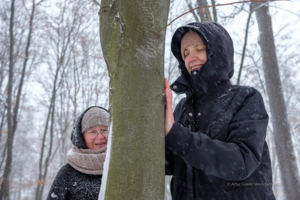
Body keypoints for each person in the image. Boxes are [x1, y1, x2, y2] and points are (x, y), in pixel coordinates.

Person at [164, 22, 275, 200]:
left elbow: (241, 161)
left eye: (199, 49)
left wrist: (176, 134)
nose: (190, 58)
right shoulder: (182, 108)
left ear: (219, 53)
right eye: (185, 53)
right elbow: (171, 164)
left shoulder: (245, 98)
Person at [47, 106, 109, 200]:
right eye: (92, 132)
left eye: (105, 130)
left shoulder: (125, 166)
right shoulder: (67, 173)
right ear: (82, 137)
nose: (100, 137)